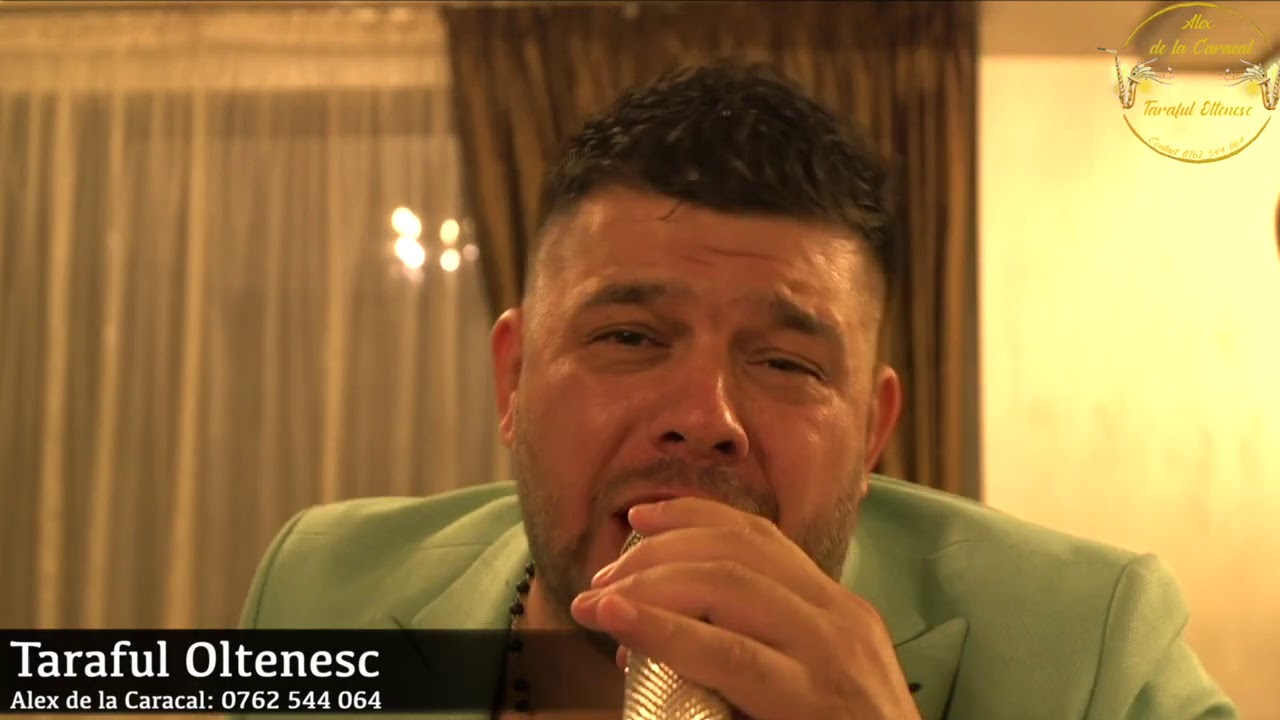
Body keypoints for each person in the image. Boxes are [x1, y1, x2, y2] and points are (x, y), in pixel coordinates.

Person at [239, 62, 1237, 720]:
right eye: (629, 338)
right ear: (513, 379)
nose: (702, 419)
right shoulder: (320, 587)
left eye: (787, 364)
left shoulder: (1091, 646)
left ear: (871, 431)